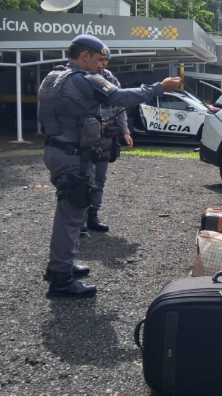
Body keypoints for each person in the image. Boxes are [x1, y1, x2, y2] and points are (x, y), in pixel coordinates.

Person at [39, 34, 182, 298]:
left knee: (67, 213)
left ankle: (60, 266)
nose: (101, 66)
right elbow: (119, 97)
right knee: (71, 218)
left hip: (56, 150)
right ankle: (60, 280)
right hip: (72, 157)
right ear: (85, 56)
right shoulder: (84, 80)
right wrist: (159, 87)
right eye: (99, 59)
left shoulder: (54, 77)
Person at [82, 53, 133, 233]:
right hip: (85, 138)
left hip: (106, 138)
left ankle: (93, 216)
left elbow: (120, 107)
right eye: (100, 60)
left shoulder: (110, 79)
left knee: (100, 179)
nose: (102, 65)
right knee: (84, 179)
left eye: (105, 61)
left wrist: (125, 131)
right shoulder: (81, 78)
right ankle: (79, 219)